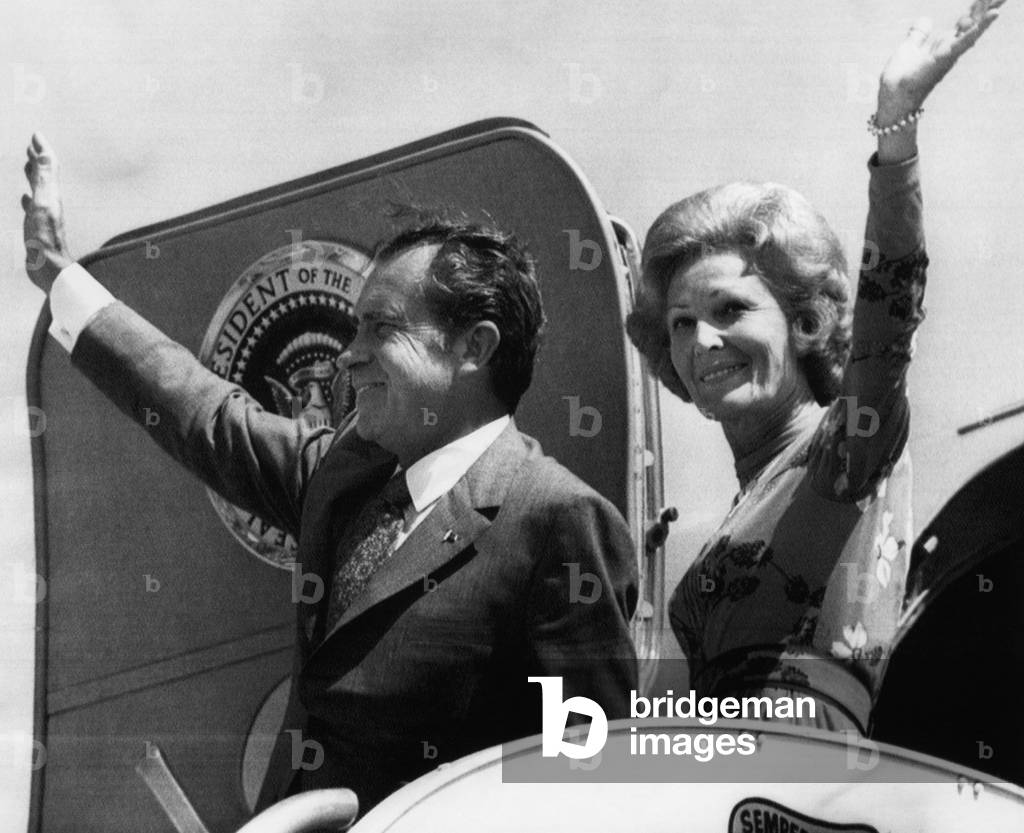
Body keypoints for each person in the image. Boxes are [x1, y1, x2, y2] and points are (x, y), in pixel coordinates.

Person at [21, 148, 639, 813]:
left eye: (382, 327)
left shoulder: (558, 519)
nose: (351, 353)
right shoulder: (345, 479)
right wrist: (59, 277)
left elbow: (595, 786)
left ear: (475, 348)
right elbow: (202, 412)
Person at [626, 1, 1004, 734]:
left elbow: (889, 310)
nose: (702, 341)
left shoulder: (847, 448)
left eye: (732, 310)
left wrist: (896, 124)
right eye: (680, 323)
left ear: (805, 322)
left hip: (805, 780)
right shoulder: (738, 505)